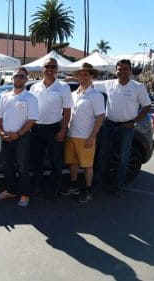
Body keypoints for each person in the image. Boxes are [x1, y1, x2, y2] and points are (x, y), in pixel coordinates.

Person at [93, 59, 151, 196]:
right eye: (120, 69)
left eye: (126, 69)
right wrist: (70, 78)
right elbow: (89, 83)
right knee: (102, 155)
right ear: (116, 71)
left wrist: (134, 121)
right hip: (108, 125)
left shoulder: (138, 87)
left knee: (124, 158)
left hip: (127, 127)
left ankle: (119, 186)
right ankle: (97, 183)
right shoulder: (108, 84)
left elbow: (147, 106)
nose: (123, 71)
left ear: (130, 71)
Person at [0, 67, 39, 207]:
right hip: (6, 137)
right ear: (12, 78)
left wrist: (18, 134)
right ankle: (11, 190)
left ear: (26, 79)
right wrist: (1, 132)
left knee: (22, 167)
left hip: (22, 138)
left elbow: (32, 120)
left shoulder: (30, 98)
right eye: (16, 76)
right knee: (7, 166)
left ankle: (25, 194)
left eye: (21, 76)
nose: (18, 78)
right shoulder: (5, 96)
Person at [29, 58, 73, 198]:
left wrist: (63, 130)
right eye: (47, 66)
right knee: (37, 160)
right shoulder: (34, 87)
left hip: (55, 128)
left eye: (53, 66)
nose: (50, 69)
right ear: (42, 68)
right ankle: (37, 186)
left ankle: (56, 187)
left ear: (57, 69)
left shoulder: (64, 87)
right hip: (36, 129)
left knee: (56, 161)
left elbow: (67, 111)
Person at [61, 63, 105, 203]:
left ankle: (88, 191)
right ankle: (74, 186)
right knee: (73, 163)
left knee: (87, 166)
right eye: (80, 74)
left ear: (92, 76)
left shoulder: (96, 95)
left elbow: (100, 117)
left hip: (86, 136)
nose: (83, 77)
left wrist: (92, 137)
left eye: (86, 74)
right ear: (77, 76)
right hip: (71, 135)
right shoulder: (73, 94)